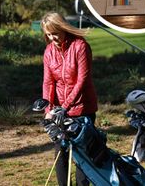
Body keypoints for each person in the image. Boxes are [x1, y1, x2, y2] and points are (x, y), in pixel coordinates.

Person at [41, 12, 98, 186]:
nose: (53, 38)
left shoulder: (80, 46)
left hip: (83, 109)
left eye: (55, 33)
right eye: (49, 35)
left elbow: (82, 80)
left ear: (63, 28)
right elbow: (48, 82)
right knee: (60, 154)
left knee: (82, 157)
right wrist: (48, 110)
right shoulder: (49, 51)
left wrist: (64, 107)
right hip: (60, 113)